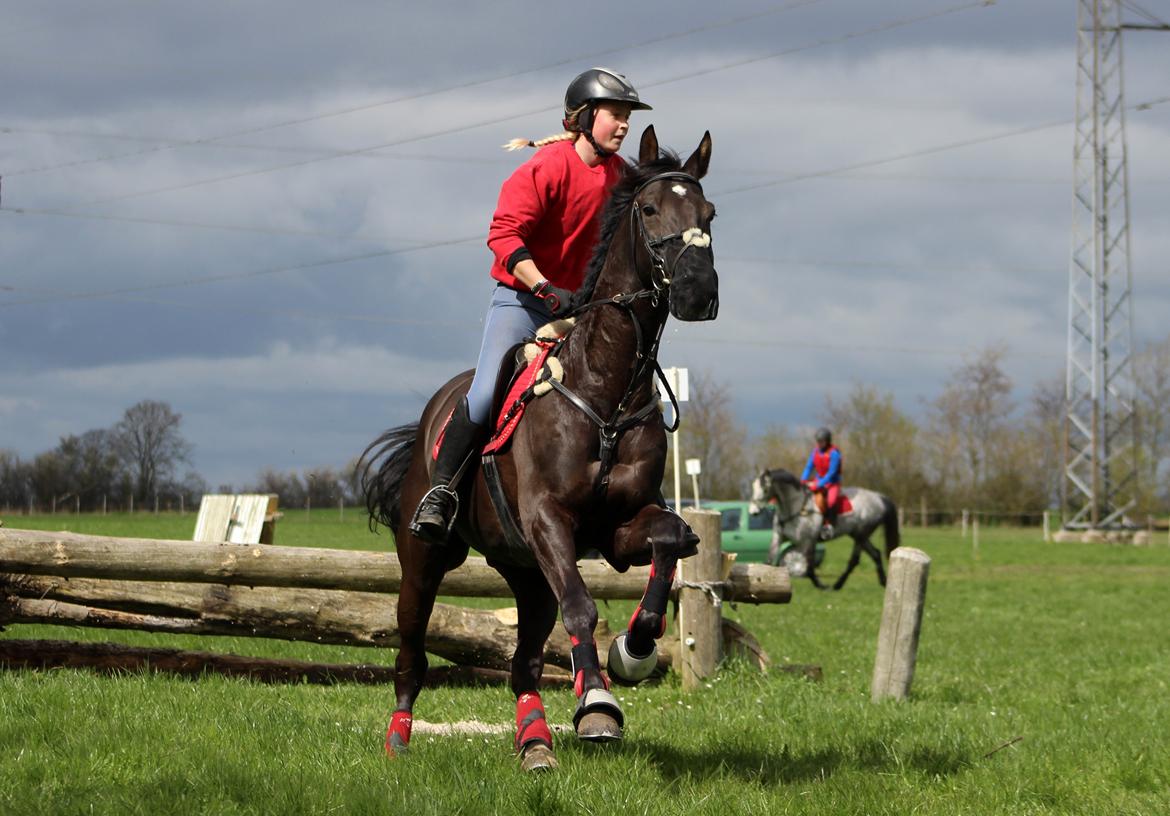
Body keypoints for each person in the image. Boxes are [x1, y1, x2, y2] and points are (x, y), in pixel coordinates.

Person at [410, 67, 653, 545]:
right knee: (484, 394)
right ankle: (440, 492)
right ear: (584, 118)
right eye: (616, 115)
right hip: (524, 301)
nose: (624, 125)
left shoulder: (623, 176)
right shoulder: (545, 168)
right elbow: (503, 236)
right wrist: (544, 287)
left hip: (584, 309)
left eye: (627, 117)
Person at [800, 427, 842, 540]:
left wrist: (819, 484)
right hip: (818, 480)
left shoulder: (834, 454)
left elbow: (832, 473)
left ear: (827, 441)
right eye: (818, 441)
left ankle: (829, 525)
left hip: (832, 482)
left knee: (831, 501)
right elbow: (809, 467)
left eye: (821, 441)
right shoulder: (815, 452)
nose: (819, 444)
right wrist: (803, 480)